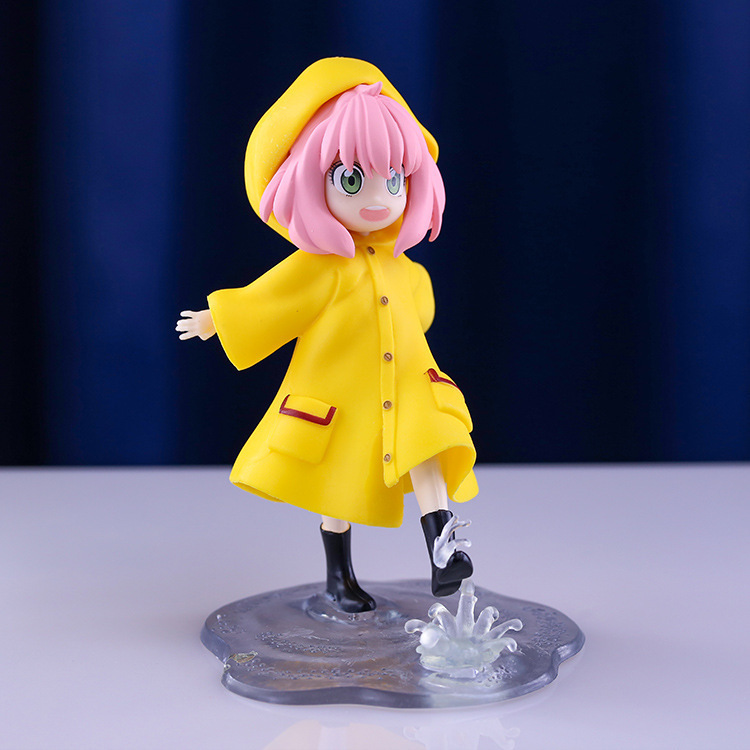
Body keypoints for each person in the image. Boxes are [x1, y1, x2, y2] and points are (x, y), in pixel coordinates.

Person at [177, 58, 477, 613]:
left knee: (430, 442)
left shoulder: (402, 268)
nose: (378, 198)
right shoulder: (320, 268)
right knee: (338, 484)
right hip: (342, 394)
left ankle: (444, 547)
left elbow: (420, 311)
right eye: (352, 179)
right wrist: (216, 318)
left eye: (395, 179)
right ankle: (339, 578)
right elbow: (270, 300)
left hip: (409, 385)